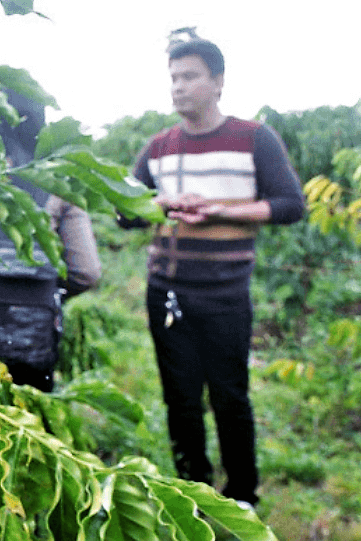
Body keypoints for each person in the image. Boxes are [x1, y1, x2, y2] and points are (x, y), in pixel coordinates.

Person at [119, 34, 305, 506]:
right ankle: (193, 492)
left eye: (190, 77)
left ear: (218, 83)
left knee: (229, 396)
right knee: (179, 399)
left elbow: (289, 205)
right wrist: (160, 204)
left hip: (225, 293)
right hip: (167, 292)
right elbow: (124, 212)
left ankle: (242, 494)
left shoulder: (253, 138)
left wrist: (220, 211)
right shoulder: (158, 147)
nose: (178, 88)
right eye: (173, 78)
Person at [0, 89, 101, 391]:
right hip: (36, 335)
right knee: (28, 422)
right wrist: (44, 290)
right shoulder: (64, 185)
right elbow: (87, 271)